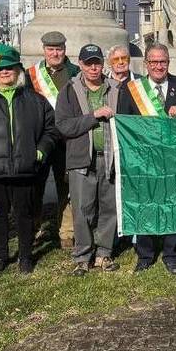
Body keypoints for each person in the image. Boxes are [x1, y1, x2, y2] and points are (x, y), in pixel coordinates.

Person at [0, 43, 60, 274]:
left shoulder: (35, 101)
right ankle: (0, 257)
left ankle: (25, 257)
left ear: (18, 70)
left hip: (25, 169)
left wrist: (39, 152)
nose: (4, 72)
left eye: (9, 68)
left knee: (24, 215)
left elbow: (51, 129)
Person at [116, 43, 176, 274]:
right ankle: (145, 254)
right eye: (153, 62)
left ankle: (171, 253)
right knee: (145, 203)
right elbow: (124, 121)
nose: (158, 66)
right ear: (146, 64)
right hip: (142, 159)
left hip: (174, 158)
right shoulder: (132, 87)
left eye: (162, 61)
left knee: (172, 204)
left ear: (168, 62)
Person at [55, 44, 122, 276]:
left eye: (97, 62)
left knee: (109, 207)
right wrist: (93, 116)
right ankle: (82, 255)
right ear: (80, 64)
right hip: (82, 160)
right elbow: (64, 126)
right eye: (88, 63)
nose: (94, 67)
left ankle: (104, 253)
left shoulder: (117, 88)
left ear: (103, 64)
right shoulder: (69, 90)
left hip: (111, 158)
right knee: (82, 209)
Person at [27, 31, 80, 250]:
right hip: (40, 139)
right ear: (44, 50)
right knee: (34, 186)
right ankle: (33, 227)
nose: (55, 53)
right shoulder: (31, 75)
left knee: (65, 187)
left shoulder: (76, 72)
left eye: (59, 49)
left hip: (67, 140)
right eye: (51, 49)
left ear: (65, 50)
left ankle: (66, 231)